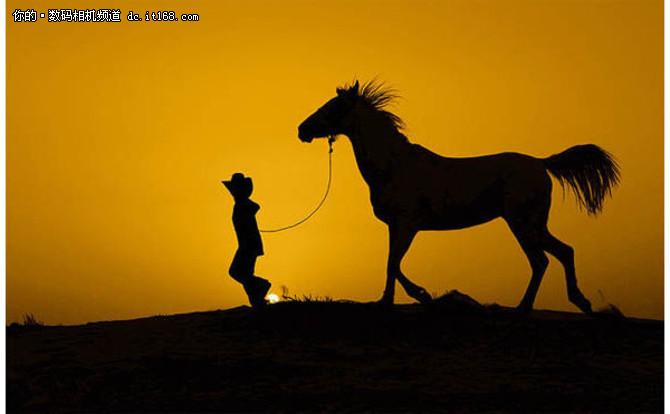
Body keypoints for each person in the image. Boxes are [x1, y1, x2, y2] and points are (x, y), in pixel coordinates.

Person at [222, 173, 271, 308]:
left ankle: (262, 288)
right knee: (243, 273)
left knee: (238, 272)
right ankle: (257, 300)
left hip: (248, 245)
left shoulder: (242, 205)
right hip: (247, 244)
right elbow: (255, 207)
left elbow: (254, 207)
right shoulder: (241, 204)